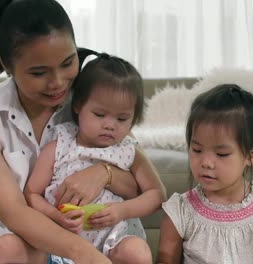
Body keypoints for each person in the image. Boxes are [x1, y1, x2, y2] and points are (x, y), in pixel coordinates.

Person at [0, 0, 160, 263]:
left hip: (89, 243)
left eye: (67, 63)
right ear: (5, 63)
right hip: (9, 247)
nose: (57, 83)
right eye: (39, 72)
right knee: (11, 246)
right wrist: (82, 253)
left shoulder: (90, 101)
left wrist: (103, 173)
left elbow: (138, 179)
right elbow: (13, 213)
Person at [24, 53, 166, 264]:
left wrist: (122, 211)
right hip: (66, 242)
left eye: (122, 118)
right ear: (78, 106)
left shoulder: (128, 150)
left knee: (138, 252)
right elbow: (32, 193)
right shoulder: (59, 145)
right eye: (100, 115)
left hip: (115, 239)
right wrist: (55, 216)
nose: (110, 125)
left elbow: (157, 194)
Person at [156, 84, 253, 264]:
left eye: (221, 154)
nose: (206, 163)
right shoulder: (180, 211)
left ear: (250, 156)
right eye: (197, 150)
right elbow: (165, 260)